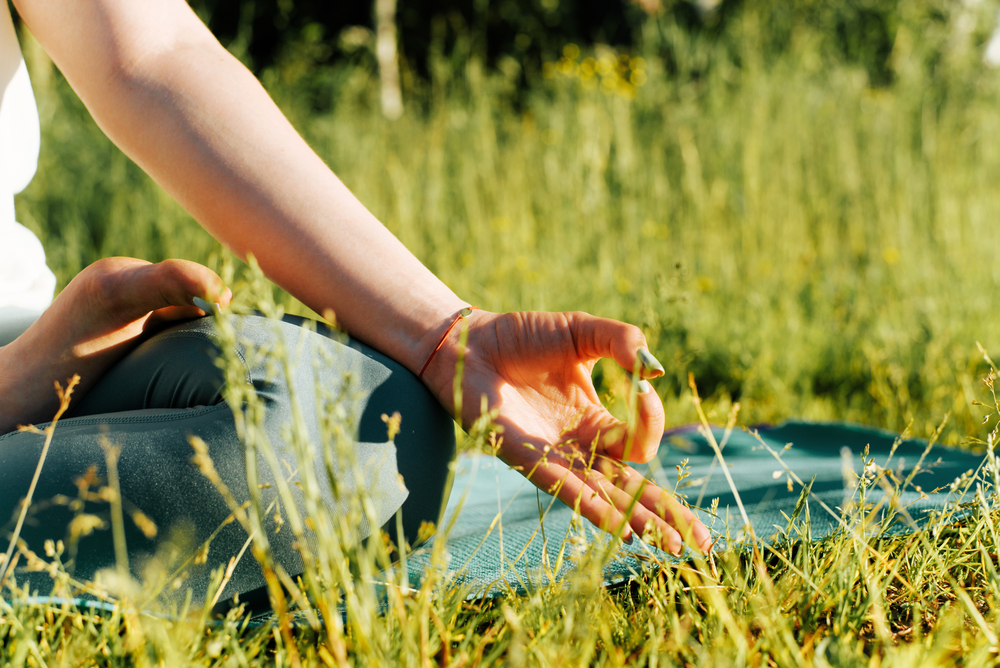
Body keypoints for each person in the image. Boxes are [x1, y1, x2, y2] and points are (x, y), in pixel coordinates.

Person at [0, 0, 710, 605]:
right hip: (29, 367)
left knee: (361, 436)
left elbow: (154, 53)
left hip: (41, 347)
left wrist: (445, 336)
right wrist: (19, 383)